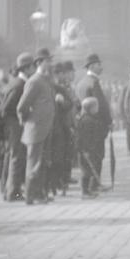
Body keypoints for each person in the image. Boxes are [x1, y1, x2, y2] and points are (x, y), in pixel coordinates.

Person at [17, 48, 56, 205]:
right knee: (33, 163)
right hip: (36, 129)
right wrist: (28, 122)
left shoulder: (45, 80)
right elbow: (21, 106)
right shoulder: (34, 81)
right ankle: (30, 196)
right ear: (39, 63)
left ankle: (39, 194)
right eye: (47, 61)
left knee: (41, 163)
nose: (50, 63)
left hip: (44, 129)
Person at [0, 52, 35, 201]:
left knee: (13, 157)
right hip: (15, 126)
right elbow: (6, 109)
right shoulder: (19, 85)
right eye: (32, 67)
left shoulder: (16, 83)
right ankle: (13, 192)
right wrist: (19, 120)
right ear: (25, 69)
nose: (34, 70)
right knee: (16, 157)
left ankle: (9, 190)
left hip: (13, 126)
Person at [75, 53, 112, 191]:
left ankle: (92, 185)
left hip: (84, 123)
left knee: (88, 157)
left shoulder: (80, 83)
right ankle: (94, 185)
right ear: (91, 66)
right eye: (98, 64)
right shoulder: (94, 82)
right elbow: (101, 105)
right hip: (97, 124)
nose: (101, 67)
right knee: (97, 155)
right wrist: (109, 121)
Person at [48, 62, 75, 197]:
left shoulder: (60, 89)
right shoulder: (41, 87)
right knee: (48, 159)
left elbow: (70, 103)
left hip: (60, 128)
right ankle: (50, 185)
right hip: (46, 129)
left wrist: (61, 102)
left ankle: (59, 182)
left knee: (60, 157)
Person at [76, 97, 102, 199]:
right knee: (86, 172)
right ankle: (84, 192)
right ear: (90, 108)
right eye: (96, 107)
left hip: (89, 150)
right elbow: (85, 138)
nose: (97, 108)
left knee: (89, 171)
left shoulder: (89, 118)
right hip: (86, 150)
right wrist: (86, 150)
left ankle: (88, 190)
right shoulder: (87, 120)